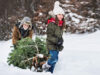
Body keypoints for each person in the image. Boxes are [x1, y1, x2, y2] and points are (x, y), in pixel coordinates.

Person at [42, 1, 65, 73]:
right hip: (51, 44)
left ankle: (49, 72)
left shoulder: (61, 23)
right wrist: (57, 40)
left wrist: (61, 41)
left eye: (62, 14)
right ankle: (46, 65)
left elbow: (60, 35)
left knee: (56, 60)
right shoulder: (51, 23)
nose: (61, 16)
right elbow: (49, 36)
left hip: (57, 44)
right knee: (53, 58)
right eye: (59, 14)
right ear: (55, 15)